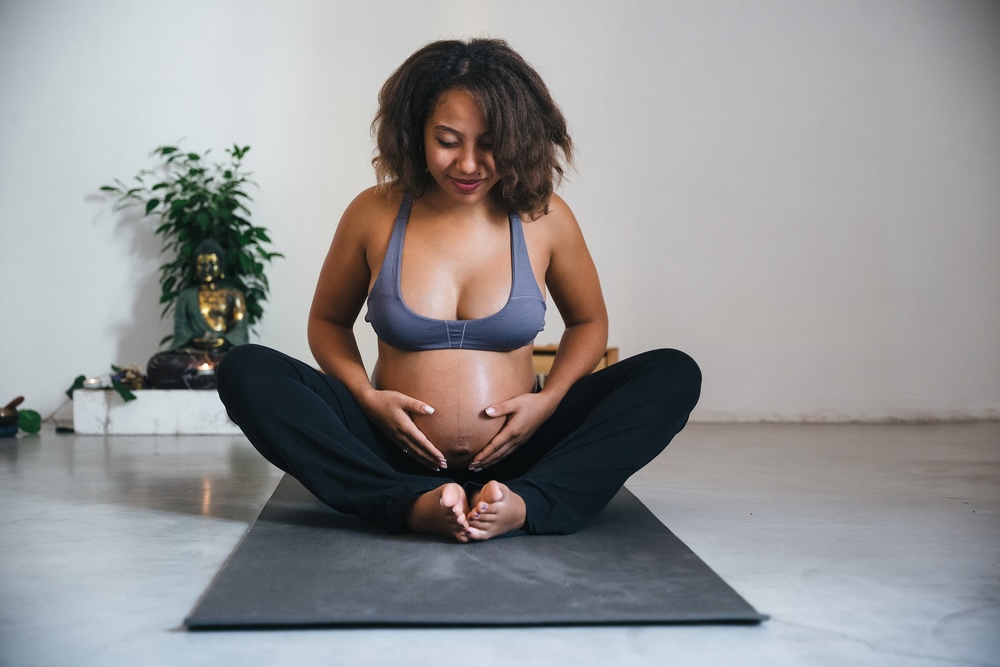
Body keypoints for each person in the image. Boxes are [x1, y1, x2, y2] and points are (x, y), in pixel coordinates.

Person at [217, 38, 701, 542]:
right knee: (245, 370)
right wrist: (366, 397)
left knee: (673, 373)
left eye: (489, 144)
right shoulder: (374, 212)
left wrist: (549, 401)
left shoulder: (546, 216)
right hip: (389, 449)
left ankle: (527, 501)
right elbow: (327, 323)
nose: (468, 164)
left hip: (524, 450)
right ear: (415, 134)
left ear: (518, 139)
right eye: (448, 141)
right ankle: (408, 501)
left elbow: (588, 323)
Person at [147, 238, 248, 389]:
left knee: (243, 361)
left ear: (221, 266)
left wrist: (222, 341)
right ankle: (210, 378)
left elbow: (240, 329)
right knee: (157, 363)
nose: (207, 268)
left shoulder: (233, 294)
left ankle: (199, 378)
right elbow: (181, 329)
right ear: (196, 267)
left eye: (212, 264)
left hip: (223, 351)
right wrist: (195, 341)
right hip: (194, 353)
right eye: (202, 264)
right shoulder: (186, 296)